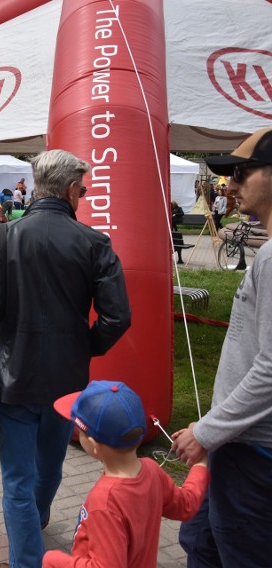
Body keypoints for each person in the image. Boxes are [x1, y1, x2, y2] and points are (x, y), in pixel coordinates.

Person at [0, 149, 131, 568]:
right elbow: (118, 317)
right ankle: (37, 518)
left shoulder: (2, 236)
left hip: (15, 375)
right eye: (82, 187)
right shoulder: (95, 243)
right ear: (68, 189)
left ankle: (26, 555)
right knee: (51, 464)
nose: (83, 194)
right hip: (67, 378)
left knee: (17, 480)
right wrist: (85, 345)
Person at [173, 127, 272, 567]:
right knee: (201, 541)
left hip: (252, 456)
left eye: (241, 172)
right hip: (236, 443)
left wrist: (207, 432)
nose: (230, 185)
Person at [43, 381, 209, 567]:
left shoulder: (105, 503)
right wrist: (201, 465)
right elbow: (186, 505)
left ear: (94, 446)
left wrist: (54, 560)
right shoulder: (152, 471)